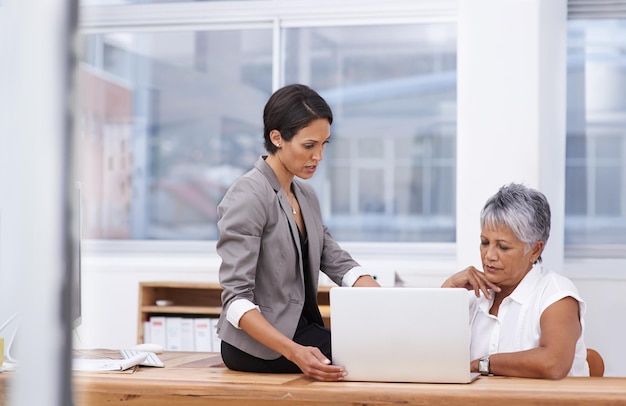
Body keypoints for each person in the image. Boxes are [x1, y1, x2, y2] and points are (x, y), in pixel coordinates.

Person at [215, 84, 380, 382]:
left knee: (381, 346)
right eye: (309, 146)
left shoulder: (305, 195)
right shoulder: (248, 195)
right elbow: (235, 301)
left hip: (299, 330)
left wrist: (389, 304)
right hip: (259, 345)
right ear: (277, 138)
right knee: (369, 357)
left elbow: (335, 259)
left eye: (324, 145)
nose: (318, 156)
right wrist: (295, 352)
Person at [442, 183, 589, 379]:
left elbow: (553, 363)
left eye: (503, 247)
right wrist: (447, 290)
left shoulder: (556, 294)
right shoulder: (471, 297)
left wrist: (483, 364)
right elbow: (424, 353)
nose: (489, 256)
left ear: (535, 250)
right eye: (485, 243)